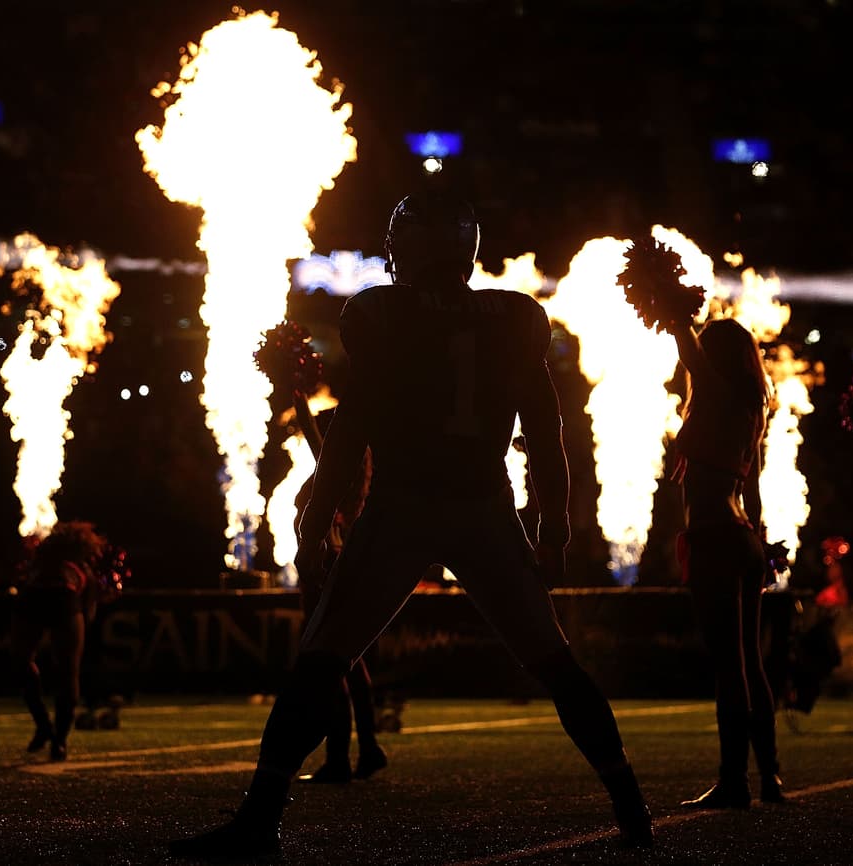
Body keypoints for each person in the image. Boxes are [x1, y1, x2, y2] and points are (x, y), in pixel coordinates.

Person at [170, 193, 652, 860]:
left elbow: (357, 422)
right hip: (485, 505)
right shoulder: (515, 315)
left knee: (320, 661)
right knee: (555, 661)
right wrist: (552, 521)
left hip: (403, 505)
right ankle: (631, 805)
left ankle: (261, 819)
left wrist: (316, 516)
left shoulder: (379, 312)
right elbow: (546, 429)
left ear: (404, 248)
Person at [666, 315, 784, 808]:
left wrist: (671, 307)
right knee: (751, 665)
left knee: (729, 668)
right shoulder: (748, 410)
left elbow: (691, 356)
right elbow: (752, 488)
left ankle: (733, 781)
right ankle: (769, 779)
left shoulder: (716, 398)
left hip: (716, 536)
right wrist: (760, 545)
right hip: (743, 539)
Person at [290, 399, 387, 784]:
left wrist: (297, 396)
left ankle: (340, 757)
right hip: (338, 563)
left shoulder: (340, 470)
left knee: (327, 662)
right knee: (346, 662)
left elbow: (315, 440)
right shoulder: (356, 471)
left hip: (326, 565)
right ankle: (365, 748)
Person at [11, 520, 108, 762]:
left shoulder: (77, 568)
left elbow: (89, 606)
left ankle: (56, 736)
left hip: (58, 606)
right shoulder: (47, 561)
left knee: (62, 671)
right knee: (52, 669)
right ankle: (51, 732)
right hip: (45, 605)